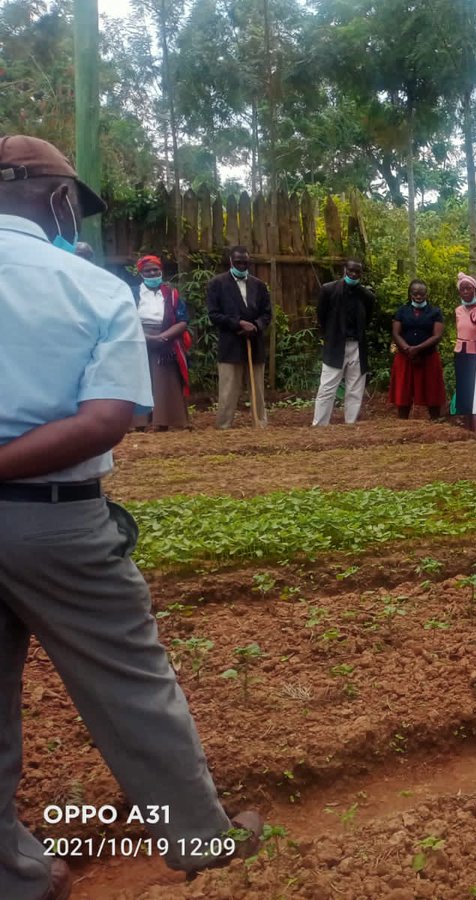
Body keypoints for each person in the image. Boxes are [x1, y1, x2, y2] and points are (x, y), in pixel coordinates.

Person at [0, 133, 261, 900]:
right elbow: (104, 419)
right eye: (72, 207)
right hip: (58, 522)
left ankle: (15, 877)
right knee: (131, 683)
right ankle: (199, 837)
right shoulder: (91, 288)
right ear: (56, 200)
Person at [205, 245, 272, 429]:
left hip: (255, 342)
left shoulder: (259, 285)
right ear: (231, 261)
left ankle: (260, 424)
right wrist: (238, 324)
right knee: (228, 390)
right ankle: (224, 426)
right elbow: (214, 314)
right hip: (230, 345)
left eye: (245, 262)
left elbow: (267, 314)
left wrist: (256, 326)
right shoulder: (216, 284)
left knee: (257, 389)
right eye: (238, 262)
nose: (242, 265)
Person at [130, 255, 190, 432]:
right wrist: (147, 337)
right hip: (138, 339)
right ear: (141, 273)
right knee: (139, 381)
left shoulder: (172, 294)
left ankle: (163, 420)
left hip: (167, 341)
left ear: (161, 271)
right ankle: (139, 423)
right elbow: (126, 319)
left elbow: (182, 321)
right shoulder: (132, 293)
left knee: (165, 381)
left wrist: (163, 337)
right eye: (148, 270)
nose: (152, 273)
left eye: (155, 270)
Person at [312, 259, 374, 426]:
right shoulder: (328, 290)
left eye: (357, 272)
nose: (353, 274)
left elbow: (367, 319)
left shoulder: (367, 296)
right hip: (335, 345)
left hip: (357, 346)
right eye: (351, 270)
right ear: (344, 269)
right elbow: (322, 316)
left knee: (355, 389)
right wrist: (330, 336)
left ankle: (350, 425)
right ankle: (319, 426)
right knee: (327, 387)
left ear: (361, 273)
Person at [389, 279, 446, 419]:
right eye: (415, 293)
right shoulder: (402, 311)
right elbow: (396, 333)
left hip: (428, 357)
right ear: (410, 294)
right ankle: (402, 423)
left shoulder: (435, 312)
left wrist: (418, 348)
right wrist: (407, 348)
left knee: (432, 392)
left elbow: (437, 335)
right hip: (405, 357)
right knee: (404, 392)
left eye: (422, 293)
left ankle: (435, 423)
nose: (418, 297)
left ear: (426, 294)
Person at [452, 271, 476, 431]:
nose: (465, 292)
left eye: (469, 288)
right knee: (464, 387)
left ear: (475, 289)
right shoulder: (458, 310)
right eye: (462, 289)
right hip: (462, 352)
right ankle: (466, 427)